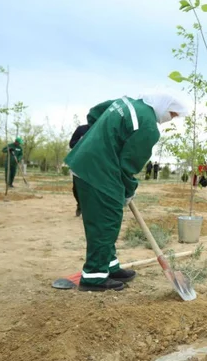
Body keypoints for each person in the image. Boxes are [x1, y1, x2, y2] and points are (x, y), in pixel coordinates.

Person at [64, 93, 188, 292]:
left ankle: (109, 266)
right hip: (99, 171)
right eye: (172, 114)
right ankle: (94, 277)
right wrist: (129, 189)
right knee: (106, 221)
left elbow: (94, 113)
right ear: (165, 106)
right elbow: (128, 165)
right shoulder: (148, 127)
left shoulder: (126, 102)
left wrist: (94, 136)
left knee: (105, 221)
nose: (171, 119)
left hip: (85, 162)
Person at [69, 123, 91, 216]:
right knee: (76, 188)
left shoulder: (101, 129)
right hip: (79, 164)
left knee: (91, 188)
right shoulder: (81, 129)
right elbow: (71, 144)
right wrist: (81, 141)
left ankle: (89, 209)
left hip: (94, 164)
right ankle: (80, 205)